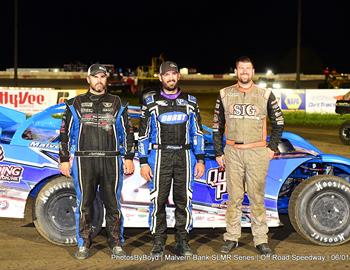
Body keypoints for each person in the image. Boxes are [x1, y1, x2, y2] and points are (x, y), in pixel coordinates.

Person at [59, 64, 135, 259]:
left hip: (112, 160)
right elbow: (64, 134)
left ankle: (117, 243)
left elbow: (128, 132)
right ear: (88, 79)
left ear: (106, 79)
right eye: (95, 77)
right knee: (84, 204)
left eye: (102, 76)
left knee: (113, 205)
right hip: (84, 161)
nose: (99, 80)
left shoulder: (118, 102)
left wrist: (128, 157)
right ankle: (83, 244)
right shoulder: (73, 104)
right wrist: (64, 159)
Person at [213, 56, 284, 255]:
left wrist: (271, 148)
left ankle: (261, 240)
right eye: (241, 68)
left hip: (257, 152)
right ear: (236, 71)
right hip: (233, 152)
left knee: (256, 198)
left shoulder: (265, 94)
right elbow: (217, 126)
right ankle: (231, 237)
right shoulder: (224, 94)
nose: (244, 72)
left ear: (253, 72)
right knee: (234, 198)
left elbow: (279, 123)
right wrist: (219, 151)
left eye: (248, 68)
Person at [138, 61, 205, 256]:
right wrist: (143, 161)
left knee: (184, 200)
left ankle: (182, 242)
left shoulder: (191, 101)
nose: (170, 78)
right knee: (157, 200)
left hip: (185, 156)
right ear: (160, 78)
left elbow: (198, 132)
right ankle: (158, 241)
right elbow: (143, 134)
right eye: (166, 75)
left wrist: (200, 159)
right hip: (159, 156)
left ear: (179, 77)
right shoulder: (150, 102)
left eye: (174, 74)